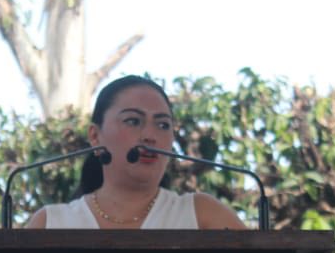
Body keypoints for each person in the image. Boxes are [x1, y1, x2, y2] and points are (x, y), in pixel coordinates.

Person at [26, 74, 247, 231]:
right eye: (133, 121)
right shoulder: (50, 224)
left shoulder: (202, 215)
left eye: (162, 125)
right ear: (95, 136)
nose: (150, 136)